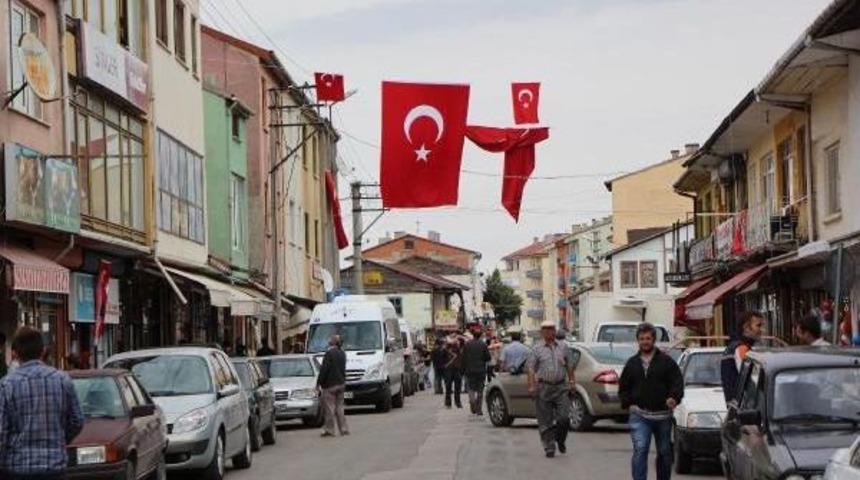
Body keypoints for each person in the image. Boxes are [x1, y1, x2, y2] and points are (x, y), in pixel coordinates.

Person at [0, 327, 84, 479]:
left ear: (16, 353)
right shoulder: (62, 380)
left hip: (17, 469)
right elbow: (77, 420)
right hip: (54, 468)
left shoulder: (6, 385)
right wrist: (59, 439)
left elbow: (2, 431)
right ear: (42, 351)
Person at [619, 323, 684, 480]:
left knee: (664, 452)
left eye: (648, 338)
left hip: (663, 417)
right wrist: (628, 403)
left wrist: (673, 397)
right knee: (640, 450)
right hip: (640, 416)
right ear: (637, 341)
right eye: (641, 339)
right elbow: (623, 388)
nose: (645, 342)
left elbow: (677, 383)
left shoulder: (667, 362)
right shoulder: (632, 363)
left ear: (654, 339)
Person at [526, 320, 576, 458]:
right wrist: (531, 386)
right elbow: (530, 369)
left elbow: (570, 366)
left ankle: (560, 439)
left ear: (555, 330)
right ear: (542, 332)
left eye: (552, 329)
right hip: (544, 387)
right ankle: (549, 445)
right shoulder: (536, 349)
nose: (549, 332)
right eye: (546, 329)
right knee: (545, 420)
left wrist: (572, 382)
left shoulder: (563, 347)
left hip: (561, 387)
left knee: (564, 418)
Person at [720, 311, 764, 405]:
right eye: (758, 325)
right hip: (744, 407)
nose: (762, 330)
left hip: (736, 407)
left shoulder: (732, 346)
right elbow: (751, 378)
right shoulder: (742, 348)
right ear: (746, 327)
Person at [317, 334, 349, 437]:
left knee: (330, 408)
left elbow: (324, 370)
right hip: (341, 383)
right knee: (340, 407)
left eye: (331, 338)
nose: (329, 339)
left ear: (334, 342)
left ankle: (330, 430)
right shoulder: (342, 353)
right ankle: (343, 429)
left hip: (330, 385)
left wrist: (319, 383)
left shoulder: (329, 354)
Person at [462, 330, 491, 417]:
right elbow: (488, 357)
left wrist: (464, 368)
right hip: (481, 370)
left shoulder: (467, 345)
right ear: (480, 335)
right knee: (480, 389)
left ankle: (472, 402)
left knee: (470, 388)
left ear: (473, 335)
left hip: (469, 370)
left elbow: (464, 357)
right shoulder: (483, 344)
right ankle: (479, 409)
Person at [443, 339, 463, 409]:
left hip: (456, 369)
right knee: (448, 387)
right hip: (449, 370)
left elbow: (461, 359)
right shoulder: (445, 350)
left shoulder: (457, 350)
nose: (457, 342)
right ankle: (449, 403)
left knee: (457, 387)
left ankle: (457, 402)